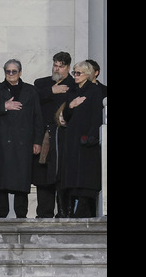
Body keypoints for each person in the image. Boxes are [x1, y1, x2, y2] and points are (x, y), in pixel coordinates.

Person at [0, 59, 42, 218]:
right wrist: (4, 106)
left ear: (20, 73)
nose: (11, 74)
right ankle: (1, 214)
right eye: (8, 71)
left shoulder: (31, 91)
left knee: (22, 179)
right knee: (1, 180)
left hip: (24, 141)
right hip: (2, 141)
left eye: (14, 71)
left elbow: (38, 117)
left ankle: (21, 214)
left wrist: (37, 141)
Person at [32, 51, 76, 218]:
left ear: (68, 68)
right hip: (44, 134)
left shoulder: (73, 84)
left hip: (63, 136)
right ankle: (44, 214)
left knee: (61, 174)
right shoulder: (42, 83)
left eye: (61, 66)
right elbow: (33, 99)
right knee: (43, 176)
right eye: (55, 65)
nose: (57, 69)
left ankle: (64, 213)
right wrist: (52, 90)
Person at [58, 60, 104, 217]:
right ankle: (71, 208)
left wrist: (91, 136)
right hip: (72, 137)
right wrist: (71, 105)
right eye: (74, 73)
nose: (75, 76)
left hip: (86, 138)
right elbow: (67, 116)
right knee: (71, 174)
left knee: (85, 175)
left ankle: (83, 209)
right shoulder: (72, 91)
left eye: (78, 73)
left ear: (88, 74)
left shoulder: (95, 91)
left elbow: (96, 116)